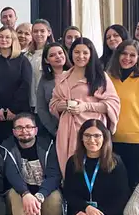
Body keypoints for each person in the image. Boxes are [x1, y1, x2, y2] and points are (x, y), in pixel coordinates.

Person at [59, 119, 130, 215]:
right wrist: (86, 208)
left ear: (105, 138)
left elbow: (122, 199)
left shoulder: (115, 162)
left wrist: (96, 213)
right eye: (87, 136)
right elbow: (69, 193)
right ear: (81, 138)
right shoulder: (74, 161)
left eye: (97, 136)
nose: (92, 140)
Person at [1, 114, 63, 215]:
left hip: (42, 192)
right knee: (15, 194)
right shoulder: (7, 146)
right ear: (14, 132)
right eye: (19, 128)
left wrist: (40, 195)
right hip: (21, 192)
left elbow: (54, 175)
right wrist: (25, 193)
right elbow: (11, 173)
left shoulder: (48, 145)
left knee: (55, 197)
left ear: (35, 130)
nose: (24, 131)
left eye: (28, 127)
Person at [51, 38, 120, 176]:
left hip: (92, 127)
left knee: (93, 164)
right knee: (70, 164)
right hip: (68, 129)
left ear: (91, 54)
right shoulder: (64, 77)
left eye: (85, 53)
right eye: (76, 52)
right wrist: (62, 105)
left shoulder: (100, 77)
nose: (80, 56)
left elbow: (112, 104)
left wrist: (85, 106)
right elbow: (53, 104)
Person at [107, 40, 139, 191]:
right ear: (117, 55)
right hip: (112, 141)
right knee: (115, 185)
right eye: (124, 53)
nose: (127, 58)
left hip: (138, 143)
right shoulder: (108, 78)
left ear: (138, 58)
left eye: (132, 55)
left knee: (136, 187)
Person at [0, 26, 32, 143]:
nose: (4, 40)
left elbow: (25, 85)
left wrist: (12, 109)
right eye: (1, 37)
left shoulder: (23, 61)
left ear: (14, 40)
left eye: (8, 37)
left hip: (17, 112)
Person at [36, 43, 71, 137]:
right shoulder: (44, 80)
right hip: (56, 128)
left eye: (60, 53)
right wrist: (53, 129)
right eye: (52, 55)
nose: (58, 57)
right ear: (46, 60)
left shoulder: (75, 74)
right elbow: (41, 108)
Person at [27, 19, 53, 110]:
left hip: (46, 102)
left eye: (42, 31)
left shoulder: (53, 53)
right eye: (35, 31)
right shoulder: (27, 55)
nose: (38, 34)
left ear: (49, 32)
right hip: (30, 102)